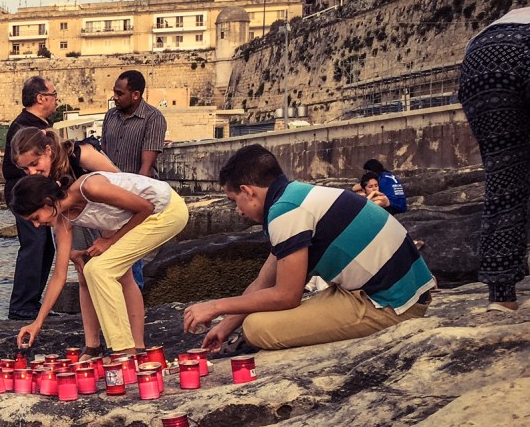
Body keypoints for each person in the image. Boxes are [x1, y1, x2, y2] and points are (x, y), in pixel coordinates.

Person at [183, 145, 435, 352]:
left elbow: (286, 296)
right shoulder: (294, 196)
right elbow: (264, 282)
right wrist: (225, 326)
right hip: (395, 293)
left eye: (234, 201)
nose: (238, 210)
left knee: (257, 328)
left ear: (247, 192)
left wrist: (215, 307)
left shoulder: (285, 212)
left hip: (391, 305)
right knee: (255, 317)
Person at [9, 168, 189, 355]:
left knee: (99, 270)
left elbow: (146, 208)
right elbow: (59, 275)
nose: (37, 225)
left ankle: (126, 351)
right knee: (92, 270)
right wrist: (38, 323)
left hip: (167, 210)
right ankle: (125, 348)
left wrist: (109, 241)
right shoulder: (62, 220)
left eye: (36, 218)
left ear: (47, 202)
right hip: (149, 218)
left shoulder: (89, 188)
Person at [10, 125, 147, 351]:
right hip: (73, 215)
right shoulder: (47, 189)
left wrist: (110, 236)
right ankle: (92, 344)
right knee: (84, 275)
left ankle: (137, 344)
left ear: (48, 151)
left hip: (106, 209)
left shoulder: (80, 155)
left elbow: (121, 182)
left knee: (124, 276)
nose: (33, 172)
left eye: (35, 164)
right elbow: (59, 271)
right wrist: (38, 321)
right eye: (26, 170)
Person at [457, 5, 530, 311]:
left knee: (503, 178)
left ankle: (502, 297)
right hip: (523, 45)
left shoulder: (509, 15)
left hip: (478, 57)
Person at [101, 70, 168, 288]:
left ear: (136, 95)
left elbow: (146, 168)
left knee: (131, 251)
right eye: (114, 93)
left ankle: (134, 300)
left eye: (120, 93)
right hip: (110, 194)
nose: (115, 97)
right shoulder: (110, 116)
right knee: (111, 251)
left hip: (136, 195)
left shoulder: (153, 118)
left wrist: (133, 202)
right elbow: (103, 153)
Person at [2, 76, 60, 320]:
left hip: (34, 194)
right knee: (34, 246)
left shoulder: (33, 124)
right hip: (27, 195)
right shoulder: (25, 127)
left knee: (44, 248)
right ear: (41, 98)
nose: (57, 100)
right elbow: (12, 168)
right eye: (54, 95)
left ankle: (32, 303)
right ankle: (22, 305)